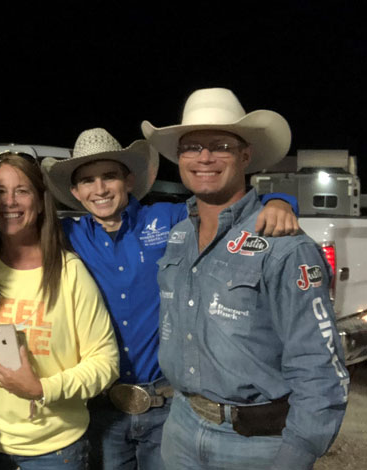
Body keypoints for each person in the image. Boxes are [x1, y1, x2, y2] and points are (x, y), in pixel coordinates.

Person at [42, 128, 300, 469]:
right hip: (102, 407)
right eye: (87, 181)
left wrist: (279, 201)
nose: (100, 189)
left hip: (167, 409)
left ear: (129, 180)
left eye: (109, 177)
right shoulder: (68, 235)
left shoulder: (165, 218)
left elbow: (227, 204)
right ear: (75, 192)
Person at [141, 87, 349, 469]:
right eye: (191, 147)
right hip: (181, 428)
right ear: (179, 158)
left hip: (256, 445)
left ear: (245, 155)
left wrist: (297, 453)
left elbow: (319, 367)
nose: (204, 157)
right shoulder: (178, 235)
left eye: (220, 145)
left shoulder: (285, 246)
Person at [0, 152, 120, 470]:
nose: (9, 202)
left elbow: (105, 362)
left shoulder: (69, 273)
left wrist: (42, 389)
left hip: (55, 450)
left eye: (22, 191)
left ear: (42, 201)